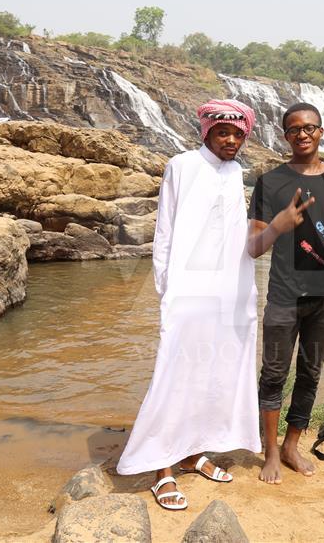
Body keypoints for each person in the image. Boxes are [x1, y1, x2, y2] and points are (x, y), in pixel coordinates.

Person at [116, 99, 261, 511]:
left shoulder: (235, 174)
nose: (232, 139)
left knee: (212, 372)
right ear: (207, 132)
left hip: (227, 294)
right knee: (174, 374)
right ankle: (161, 469)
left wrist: (244, 294)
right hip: (185, 291)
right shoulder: (181, 165)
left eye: (238, 133)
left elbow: (235, 239)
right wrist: (168, 289)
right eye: (223, 132)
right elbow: (165, 231)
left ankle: (192, 451)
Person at [246, 102, 324, 484]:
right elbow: (253, 247)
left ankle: (293, 445)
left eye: (309, 128)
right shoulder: (271, 182)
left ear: (321, 131)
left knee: (311, 373)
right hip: (284, 296)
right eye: (294, 130)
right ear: (285, 136)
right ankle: (271, 452)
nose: (302, 135)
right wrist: (278, 225)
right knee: (273, 375)